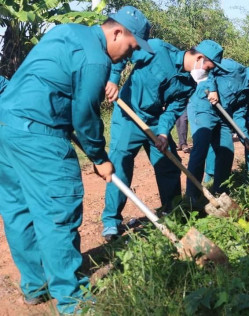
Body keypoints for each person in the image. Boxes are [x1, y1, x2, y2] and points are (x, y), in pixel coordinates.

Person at [0, 6, 151, 314]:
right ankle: (73, 300)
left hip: (5, 127)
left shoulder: (66, 31)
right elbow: (84, 117)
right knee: (58, 212)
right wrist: (99, 157)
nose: (127, 56)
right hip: (39, 136)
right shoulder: (96, 58)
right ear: (117, 32)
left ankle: (35, 286)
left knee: (19, 210)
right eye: (131, 47)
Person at [101, 39, 226, 240]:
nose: (208, 73)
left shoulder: (189, 84)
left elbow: (174, 109)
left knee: (169, 163)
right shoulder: (157, 50)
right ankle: (111, 223)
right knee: (120, 164)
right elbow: (123, 52)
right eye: (209, 68)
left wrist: (163, 133)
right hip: (128, 114)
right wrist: (113, 79)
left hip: (154, 119)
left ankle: (173, 211)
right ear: (200, 58)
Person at [186, 56, 249, 207]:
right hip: (203, 107)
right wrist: (213, 89)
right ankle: (192, 197)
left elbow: (238, 116)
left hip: (223, 116)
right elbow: (208, 68)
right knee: (201, 148)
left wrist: (246, 139)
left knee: (227, 152)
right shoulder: (232, 67)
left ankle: (221, 193)